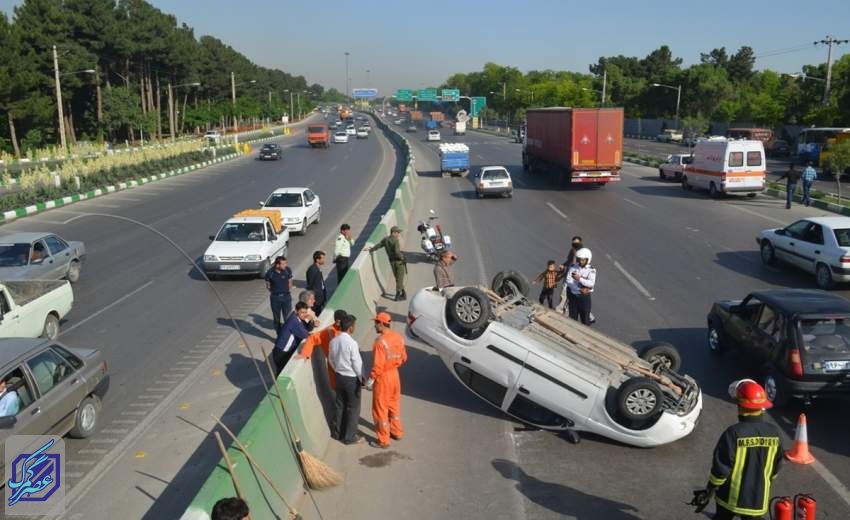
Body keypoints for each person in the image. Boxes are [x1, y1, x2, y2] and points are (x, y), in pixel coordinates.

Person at [691, 379, 783, 520]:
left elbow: (720, 470)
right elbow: (775, 468)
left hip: (729, 498)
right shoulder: (774, 433)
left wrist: (709, 490)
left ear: (741, 405)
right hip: (758, 499)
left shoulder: (734, 433)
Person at [365, 312, 408, 449]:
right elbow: (403, 358)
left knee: (380, 409)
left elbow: (378, 366)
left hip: (383, 378)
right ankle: (396, 432)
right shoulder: (399, 338)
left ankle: (383, 439)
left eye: (376, 322)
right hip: (395, 376)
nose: (374, 325)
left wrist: (370, 380)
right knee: (393, 405)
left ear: (382, 324)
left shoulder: (379, 342)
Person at [329, 314, 365, 444]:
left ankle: (337, 433)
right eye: (354, 325)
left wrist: (337, 369)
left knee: (340, 405)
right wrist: (361, 378)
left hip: (339, 377)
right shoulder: (352, 343)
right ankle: (350, 437)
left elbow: (331, 359)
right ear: (350, 328)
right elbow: (356, 363)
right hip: (351, 379)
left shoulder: (334, 341)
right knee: (353, 408)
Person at [299, 309, 347, 390]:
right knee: (338, 389)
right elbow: (312, 338)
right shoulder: (328, 332)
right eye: (344, 321)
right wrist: (305, 353)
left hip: (344, 365)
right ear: (338, 321)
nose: (346, 323)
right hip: (334, 366)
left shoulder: (345, 329)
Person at [270, 302, 311, 376]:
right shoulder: (294, 322)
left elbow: (303, 328)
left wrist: (307, 320)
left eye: (305, 312)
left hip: (282, 351)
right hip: (281, 353)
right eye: (302, 312)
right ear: (296, 311)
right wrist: (308, 320)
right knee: (281, 373)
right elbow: (306, 335)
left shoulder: (295, 317)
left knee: (281, 371)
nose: (304, 314)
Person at [368, 226, 407, 301]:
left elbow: (379, 245)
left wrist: (371, 249)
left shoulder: (386, 239)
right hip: (399, 262)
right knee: (400, 278)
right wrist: (402, 258)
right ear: (393, 232)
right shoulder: (395, 240)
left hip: (392, 262)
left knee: (398, 278)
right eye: (398, 232)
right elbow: (397, 252)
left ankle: (403, 293)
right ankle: (398, 295)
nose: (399, 234)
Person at [566, 248, 596, 325]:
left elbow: (591, 283)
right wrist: (579, 289)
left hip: (584, 297)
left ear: (587, 259)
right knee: (572, 317)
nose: (580, 261)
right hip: (573, 295)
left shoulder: (591, 270)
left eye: (582, 260)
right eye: (579, 259)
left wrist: (579, 279)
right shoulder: (573, 267)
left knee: (585, 318)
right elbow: (569, 280)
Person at [264, 256, 293, 334]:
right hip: (275, 298)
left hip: (286, 297)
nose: (285, 265)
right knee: (276, 319)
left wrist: (286, 290)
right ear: (277, 265)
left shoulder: (287, 270)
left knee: (288, 317)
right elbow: (268, 285)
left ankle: (288, 334)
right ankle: (279, 335)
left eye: (286, 263)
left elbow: (290, 281)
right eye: (283, 264)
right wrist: (275, 292)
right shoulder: (270, 273)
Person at [557, 236, 584, 312]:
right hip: (568, 276)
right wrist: (563, 265)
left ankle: (561, 311)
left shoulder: (582, 255)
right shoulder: (572, 251)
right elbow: (569, 261)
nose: (575, 245)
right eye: (574, 243)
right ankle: (563, 311)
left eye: (577, 243)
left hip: (574, 279)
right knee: (564, 295)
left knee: (567, 296)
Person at [306, 250, 327, 315]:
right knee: (316, 314)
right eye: (322, 258)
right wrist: (313, 299)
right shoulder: (312, 270)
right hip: (316, 298)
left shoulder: (317, 268)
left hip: (320, 296)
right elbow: (310, 286)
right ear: (317, 260)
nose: (324, 260)